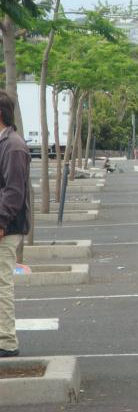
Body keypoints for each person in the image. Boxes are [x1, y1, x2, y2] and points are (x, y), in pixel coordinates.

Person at [0, 91, 30, 358]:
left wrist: (1, 222)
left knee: (2, 283)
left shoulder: (13, 146)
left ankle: (7, 341)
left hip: (6, 228)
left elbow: (13, 191)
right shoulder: (4, 143)